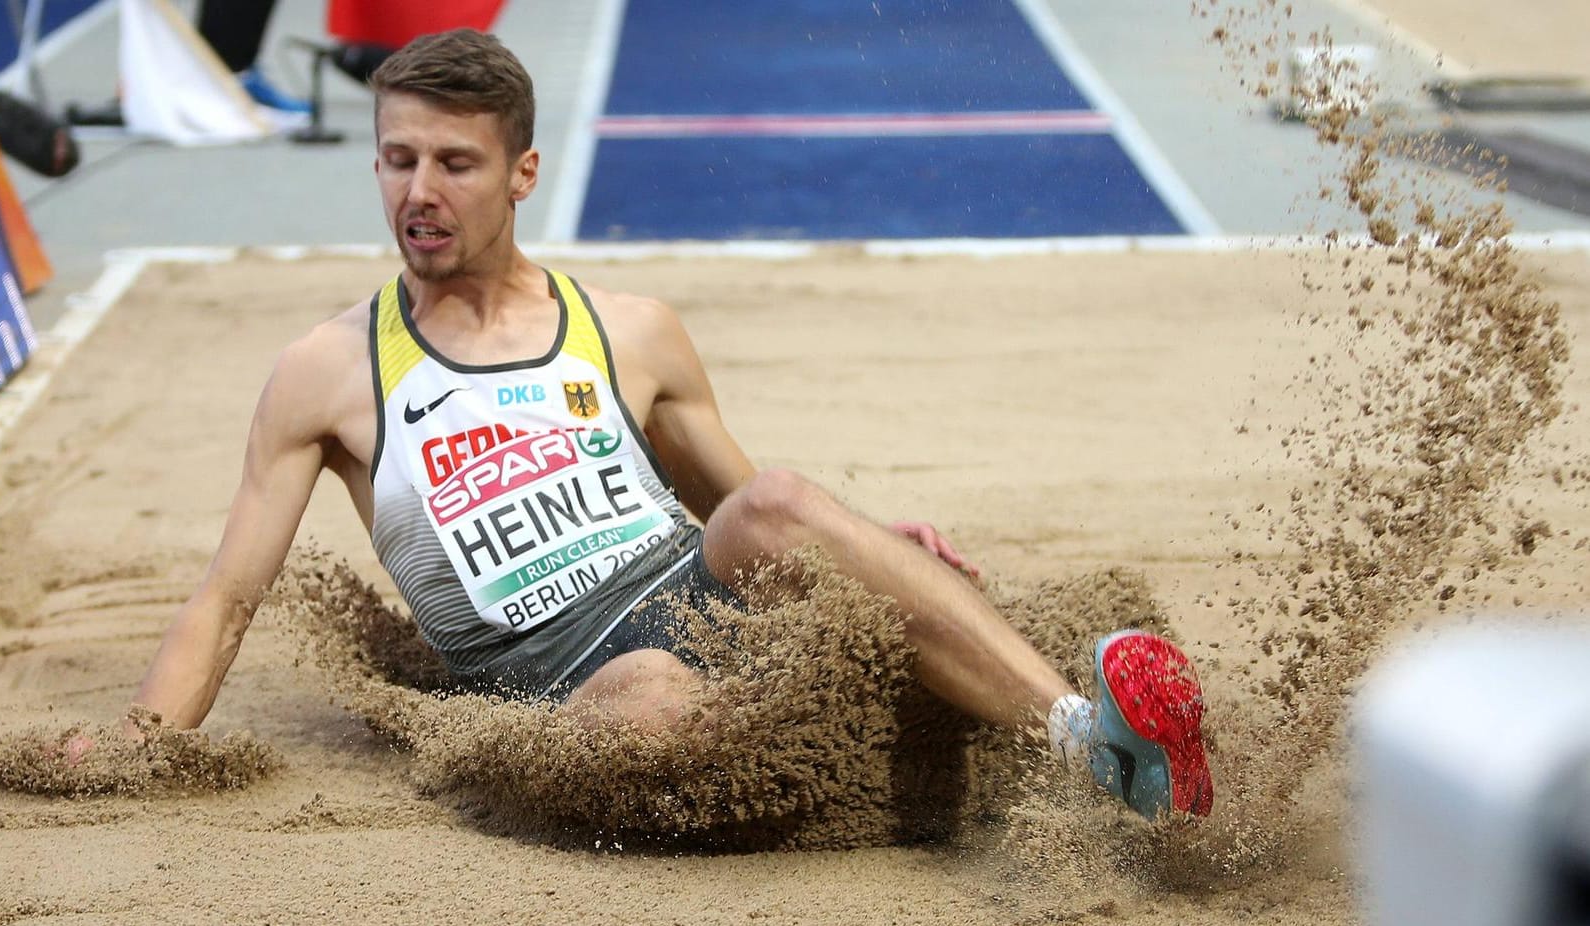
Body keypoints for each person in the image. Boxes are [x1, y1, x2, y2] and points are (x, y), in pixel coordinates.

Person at [112, 29, 1214, 822]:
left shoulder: (629, 331)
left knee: (779, 501)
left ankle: (1087, 741)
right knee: (651, 706)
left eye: (455, 162)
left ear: (521, 174)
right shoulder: (326, 372)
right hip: (550, 684)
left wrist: (872, 549)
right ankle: (918, 753)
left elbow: (747, 508)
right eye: (398, 160)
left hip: (688, 591)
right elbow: (227, 597)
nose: (420, 190)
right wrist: (139, 748)